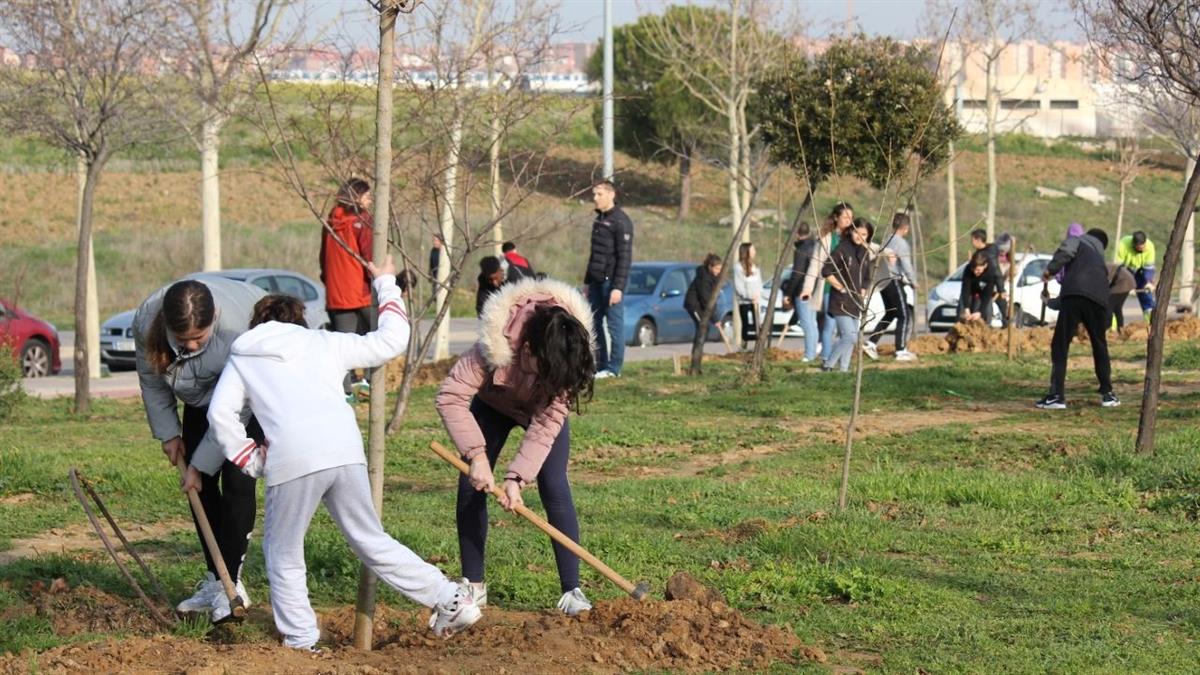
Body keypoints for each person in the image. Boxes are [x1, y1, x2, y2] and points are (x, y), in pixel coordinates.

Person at [201, 257, 481, 649]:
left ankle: (300, 638)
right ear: (299, 321)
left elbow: (220, 413)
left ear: (257, 324)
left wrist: (250, 459)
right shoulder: (324, 342)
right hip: (345, 450)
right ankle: (449, 597)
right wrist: (384, 282)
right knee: (370, 539)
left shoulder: (245, 353)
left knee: (283, 551)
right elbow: (391, 340)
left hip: (292, 458)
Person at [435, 277, 597, 616]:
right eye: (547, 371)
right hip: (492, 405)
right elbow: (451, 396)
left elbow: (546, 425)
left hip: (538, 412)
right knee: (471, 483)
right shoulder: (494, 343)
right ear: (528, 351)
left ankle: (572, 590)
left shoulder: (567, 352)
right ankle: (473, 586)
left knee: (554, 484)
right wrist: (477, 456)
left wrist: (517, 479)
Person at [132, 275, 266, 623]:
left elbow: (234, 411)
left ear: (214, 320)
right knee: (199, 486)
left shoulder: (238, 332)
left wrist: (200, 462)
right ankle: (214, 579)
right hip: (201, 394)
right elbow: (151, 378)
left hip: (251, 396)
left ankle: (232, 582)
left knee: (238, 481)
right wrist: (168, 433)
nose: (190, 346)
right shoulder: (148, 320)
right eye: (183, 339)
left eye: (199, 338)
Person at [1035, 228, 1118, 410]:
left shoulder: (1078, 241)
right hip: (1099, 300)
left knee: (1060, 345)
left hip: (1074, 297)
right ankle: (1108, 394)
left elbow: (1066, 252)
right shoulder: (1098, 260)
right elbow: (1085, 290)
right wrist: (1050, 302)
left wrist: (1050, 270)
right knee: (1099, 344)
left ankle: (1056, 396)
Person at [320, 179, 376, 399]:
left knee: (342, 345)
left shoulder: (330, 223)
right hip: (361, 292)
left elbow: (323, 259)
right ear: (357, 196)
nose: (370, 199)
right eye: (367, 195)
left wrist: (330, 282)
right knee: (378, 335)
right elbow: (369, 256)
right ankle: (370, 382)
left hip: (337, 294)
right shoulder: (363, 221)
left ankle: (344, 391)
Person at [584, 180, 633, 379]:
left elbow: (625, 258)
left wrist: (618, 287)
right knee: (594, 324)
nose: (595, 198)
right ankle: (601, 364)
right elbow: (594, 255)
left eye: (599, 194)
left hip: (612, 282)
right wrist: (587, 282)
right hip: (596, 282)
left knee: (614, 326)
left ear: (611, 194)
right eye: (594, 194)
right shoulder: (599, 221)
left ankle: (614, 369)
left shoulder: (621, 221)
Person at [801, 202, 855, 364]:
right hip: (829, 288)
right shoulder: (826, 239)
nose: (849, 220)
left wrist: (887, 252)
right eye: (845, 217)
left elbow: (870, 248)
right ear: (836, 218)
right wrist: (807, 289)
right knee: (830, 325)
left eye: (851, 217)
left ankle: (838, 360)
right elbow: (815, 266)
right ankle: (826, 358)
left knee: (847, 330)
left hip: (849, 289)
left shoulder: (853, 237)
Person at [821, 218, 873, 372]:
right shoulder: (842, 249)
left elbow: (867, 278)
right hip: (840, 302)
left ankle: (843, 370)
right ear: (851, 231)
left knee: (850, 338)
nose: (860, 236)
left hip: (855, 302)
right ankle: (828, 365)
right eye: (857, 232)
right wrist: (841, 287)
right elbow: (826, 271)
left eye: (864, 234)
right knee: (850, 337)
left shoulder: (865, 252)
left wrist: (863, 292)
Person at [865, 212, 917, 362]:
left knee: (891, 313)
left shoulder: (886, 239)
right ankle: (901, 350)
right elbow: (906, 264)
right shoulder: (901, 243)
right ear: (906, 228)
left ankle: (871, 343)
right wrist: (913, 280)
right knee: (904, 314)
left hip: (882, 280)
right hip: (893, 279)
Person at [782, 224, 819, 361]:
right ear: (809, 232)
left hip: (802, 290)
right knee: (812, 323)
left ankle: (809, 355)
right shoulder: (815, 247)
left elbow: (797, 274)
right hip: (814, 290)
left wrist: (788, 293)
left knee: (806, 323)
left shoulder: (801, 250)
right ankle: (813, 352)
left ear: (797, 234)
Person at [1116, 230, 1156, 322]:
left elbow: (1149, 268)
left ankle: (1150, 323)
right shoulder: (1123, 244)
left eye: (1143, 247)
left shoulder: (1149, 246)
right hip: (1126, 271)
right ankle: (1113, 329)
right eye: (1139, 248)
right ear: (1133, 245)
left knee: (1147, 297)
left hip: (1142, 271)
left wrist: (1149, 282)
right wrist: (1127, 284)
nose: (1142, 250)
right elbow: (1119, 268)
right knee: (1116, 299)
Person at [684, 253, 723, 339]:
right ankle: (697, 352)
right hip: (694, 305)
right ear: (710, 267)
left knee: (704, 328)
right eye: (716, 269)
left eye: (720, 269)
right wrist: (715, 319)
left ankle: (699, 351)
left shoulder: (713, 276)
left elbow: (711, 298)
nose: (718, 271)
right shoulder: (704, 279)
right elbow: (706, 299)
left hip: (701, 304)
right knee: (703, 327)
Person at [733, 242, 763, 348]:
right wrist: (749, 296)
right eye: (752, 249)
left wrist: (758, 294)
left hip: (756, 301)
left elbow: (759, 283)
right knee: (745, 324)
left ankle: (758, 347)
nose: (754, 252)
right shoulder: (738, 267)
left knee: (757, 325)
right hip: (744, 301)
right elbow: (739, 286)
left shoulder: (755, 267)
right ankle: (743, 346)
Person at [958, 251, 1001, 323]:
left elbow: (987, 295)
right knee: (962, 311)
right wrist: (966, 308)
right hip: (970, 292)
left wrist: (980, 312)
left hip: (983, 293)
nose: (975, 272)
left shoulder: (990, 273)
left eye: (978, 270)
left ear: (985, 265)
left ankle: (985, 328)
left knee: (987, 311)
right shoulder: (968, 269)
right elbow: (965, 290)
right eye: (973, 269)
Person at [1107, 261, 1137, 331]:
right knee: (1117, 308)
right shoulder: (1099, 267)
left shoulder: (1097, 270)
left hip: (1124, 282)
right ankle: (1121, 329)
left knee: (1108, 307)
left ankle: (1107, 329)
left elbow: (1103, 284)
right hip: (1127, 280)